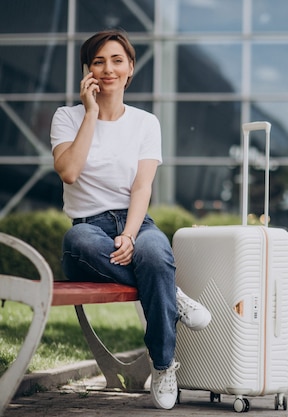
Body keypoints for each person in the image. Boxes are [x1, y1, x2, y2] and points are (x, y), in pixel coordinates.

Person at [50, 29, 211, 410]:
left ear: (130, 69)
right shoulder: (67, 117)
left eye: (116, 60)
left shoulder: (145, 123)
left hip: (137, 221)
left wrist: (131, 234)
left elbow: (142, 188)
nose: (108, 69)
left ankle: (163, 364)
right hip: (88, 229)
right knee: (80, 244)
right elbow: (69, 172)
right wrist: (90, 113)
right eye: (98, 61)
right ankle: (172, 294)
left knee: (155, 256)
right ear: (87, 71)